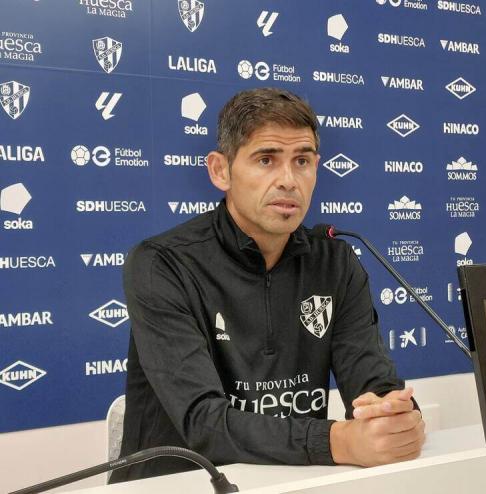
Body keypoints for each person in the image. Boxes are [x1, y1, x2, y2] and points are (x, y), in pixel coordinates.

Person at [109, 88, 425, 482]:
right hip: (178, 484)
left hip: (290, 480)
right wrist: (338, 442)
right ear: (220, 171)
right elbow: (203, 423)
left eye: (302, 161)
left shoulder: (336, 262)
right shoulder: (163, 264)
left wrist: (393, 417)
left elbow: (372, 386)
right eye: (266, 159)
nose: (289, 181)